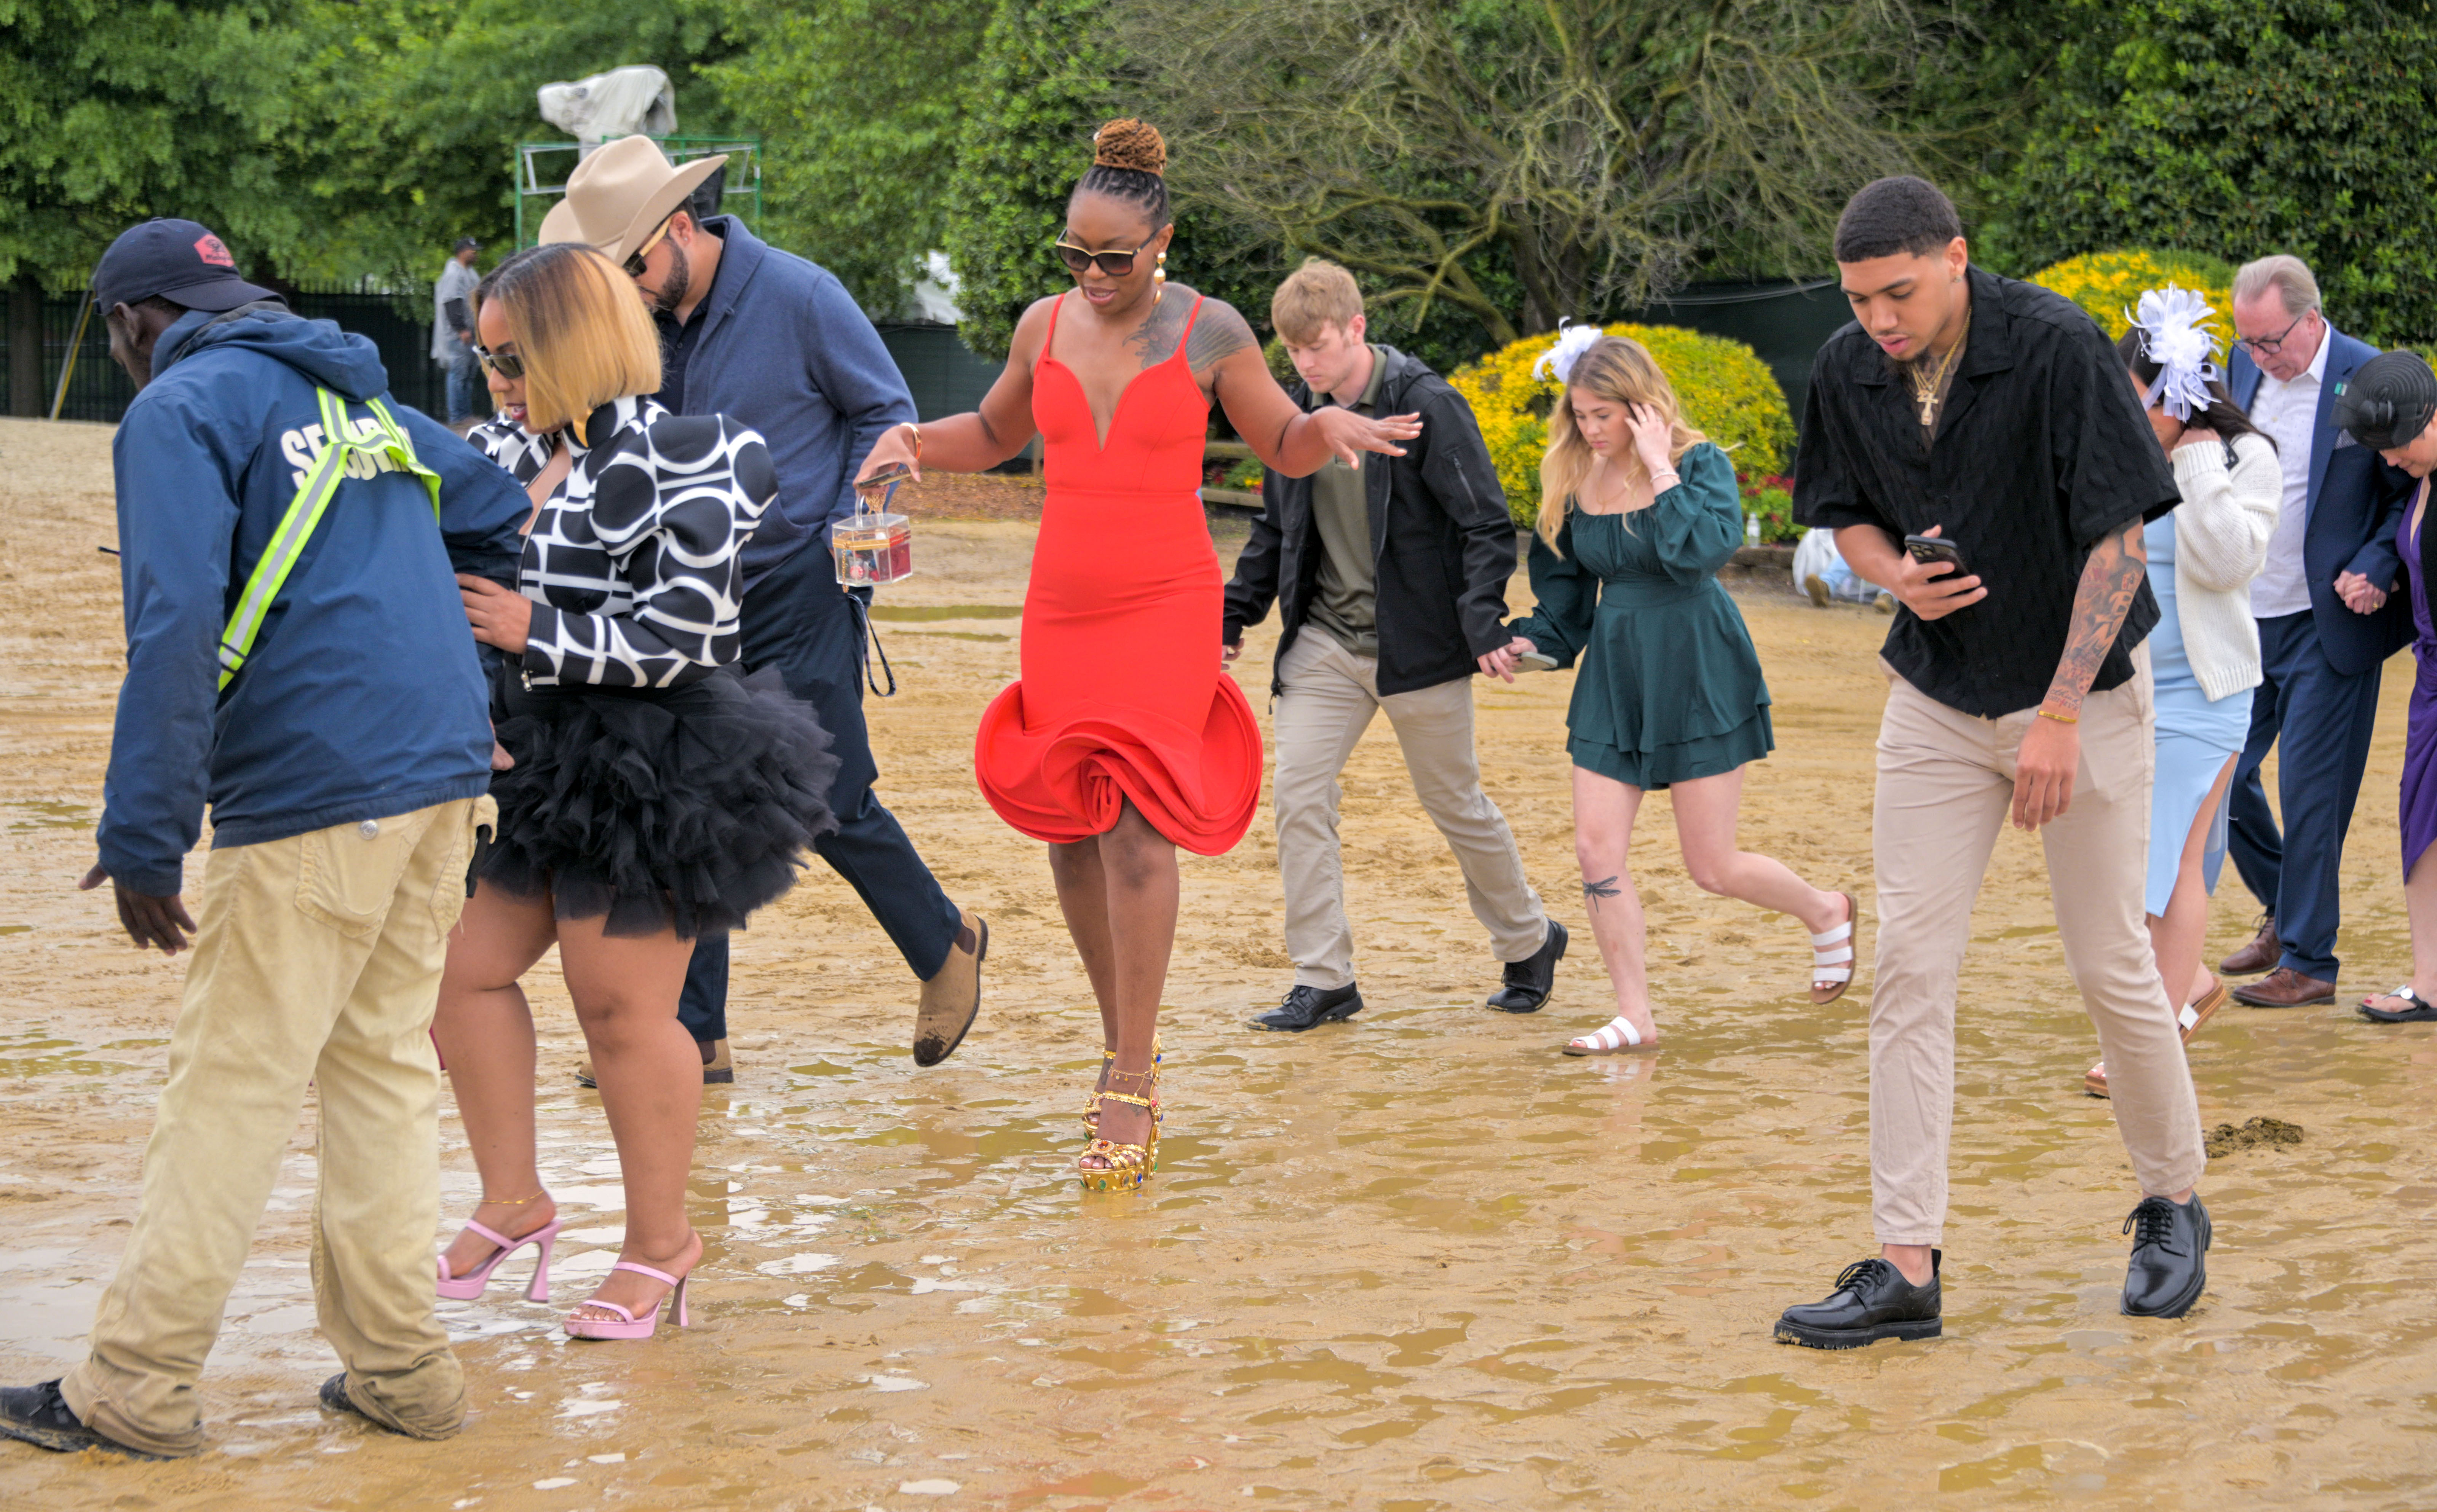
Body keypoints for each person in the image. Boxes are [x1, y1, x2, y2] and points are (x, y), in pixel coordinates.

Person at [0, 219, 528, 1458]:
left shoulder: (177, 413)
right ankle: (404, 1373)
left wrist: (144, 829)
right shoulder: (355, 396)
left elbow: (173, 622)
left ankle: (134, 1386)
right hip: (440, 770)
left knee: (230, 1084)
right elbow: (496, 497)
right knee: (382, 1073)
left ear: (135, 325)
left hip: (315, 788)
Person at [851, 120, 1419, 1189]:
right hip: (1063, 603)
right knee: (1070, 830)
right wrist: (915, 441)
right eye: (1077, 254)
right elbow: (994, 430)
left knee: (1137, 830)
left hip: (1165, 602)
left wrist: (1326, 432)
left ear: (1163, 243)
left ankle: (1126, 1073)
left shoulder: (1213, 332)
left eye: (1115, 256)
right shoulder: (1042, 325)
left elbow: (1280, 441)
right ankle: (1131, 1034)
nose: (1095, 274)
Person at [1778, 177, 2210, 1348]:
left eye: (1900, 292)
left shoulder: (2060, 349)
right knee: (1911, 969)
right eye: (1861, 298)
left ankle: (2172, 1200)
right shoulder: (1846, 363)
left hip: (2083, 698)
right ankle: (1905, 1260)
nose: (1880, 320)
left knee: (2110, 961)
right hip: (1933, 695)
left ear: (1958, 257)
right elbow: (1842, 512)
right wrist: (1890, 574)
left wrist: (2060, 717)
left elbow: (2120, 542)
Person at [434, 244, 836, 1339]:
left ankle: (661, 1246)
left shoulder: (701, 451)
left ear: (578, 344)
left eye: (515, 357)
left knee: (620, 1009)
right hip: (543, 760)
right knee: (461, 979)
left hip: (661, 756)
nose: (497, 379)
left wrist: (532, 631)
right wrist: (477, 704)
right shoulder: (497, 452)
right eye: (485, 357)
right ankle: (515, 1197)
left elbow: (690, 632)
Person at [546, 136, 984, 1081]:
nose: (624, 289)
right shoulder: (640, 324)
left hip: (801, 586)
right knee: (685, 802)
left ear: (677, 227)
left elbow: (886, 413)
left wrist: (847, 526)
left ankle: (946, 945)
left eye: (630, 268)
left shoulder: (802, 295)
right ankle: (694, 1033)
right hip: (684, 600)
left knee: (826, 798)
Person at [1219, 257, 1562, 1032]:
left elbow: (1482, 525)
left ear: (1357, 328)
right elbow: (1276, 530)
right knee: (1298, 795)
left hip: (1419, 648)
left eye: (1321, 347)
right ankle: (1324, 979)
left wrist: (1481, 623)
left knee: (1454, 804)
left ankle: (1529, 940)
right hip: (1326, 646)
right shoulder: (1297, 420)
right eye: (1295, 354)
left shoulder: (1426, 406)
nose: (1308, 365)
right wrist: (1232, 615)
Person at [1496, 331, 1855, 1054]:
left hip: (1699, 664)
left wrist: (1661, 467)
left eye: (1605, 415)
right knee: (1596, 850)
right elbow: (1566, 607)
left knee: (1711, 865)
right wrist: (1530, 643)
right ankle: (1635, 1013)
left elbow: (1699, 555)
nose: (1592, 430)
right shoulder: (1570, 479)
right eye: (1582, 415)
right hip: (1616, 674)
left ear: (1643, 405)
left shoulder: (1700, 465)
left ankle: (1826, 910)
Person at [2084, 292, 2280, 1098]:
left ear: (2176, 395)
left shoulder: (2245, 459)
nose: (2123, 413)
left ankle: (2147, 1044)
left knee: (2166, 871)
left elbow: (2226, 563)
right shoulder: (2115, 453)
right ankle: (2189, 982)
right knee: (2128, 868)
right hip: (2122, 692)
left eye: (2137, 399)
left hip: (2204, 695)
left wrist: (2197, 461)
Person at [2215, 256, 2416, 1007]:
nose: (2257, 357)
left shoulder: (2367, 376)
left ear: (2309, 319)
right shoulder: (2240, 368)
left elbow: (2408, 483)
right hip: (2239, 615)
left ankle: (2308, 963)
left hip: (2326, 621)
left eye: (2267, 342)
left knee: (2309, 796)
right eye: (2247, 343)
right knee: (2223, 777)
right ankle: (2284, 911)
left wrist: (2374, 562)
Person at [2334, 353, 2437, 1024]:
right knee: (2421, 820)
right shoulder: (2423, 472)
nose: (2391, 463)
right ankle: (2430, 979)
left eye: (2397, 447)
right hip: (2431, 674)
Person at [433, 237, 482, 425]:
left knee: (467, 375)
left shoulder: (469, 273)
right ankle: (458, 418)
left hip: (468, 335)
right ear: (462, 251)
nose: (475, 253)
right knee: (458, 375)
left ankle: (465, 415)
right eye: (473, 250)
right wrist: (461, 329)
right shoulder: (455, 274)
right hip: (458, 337)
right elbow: (452, 302)